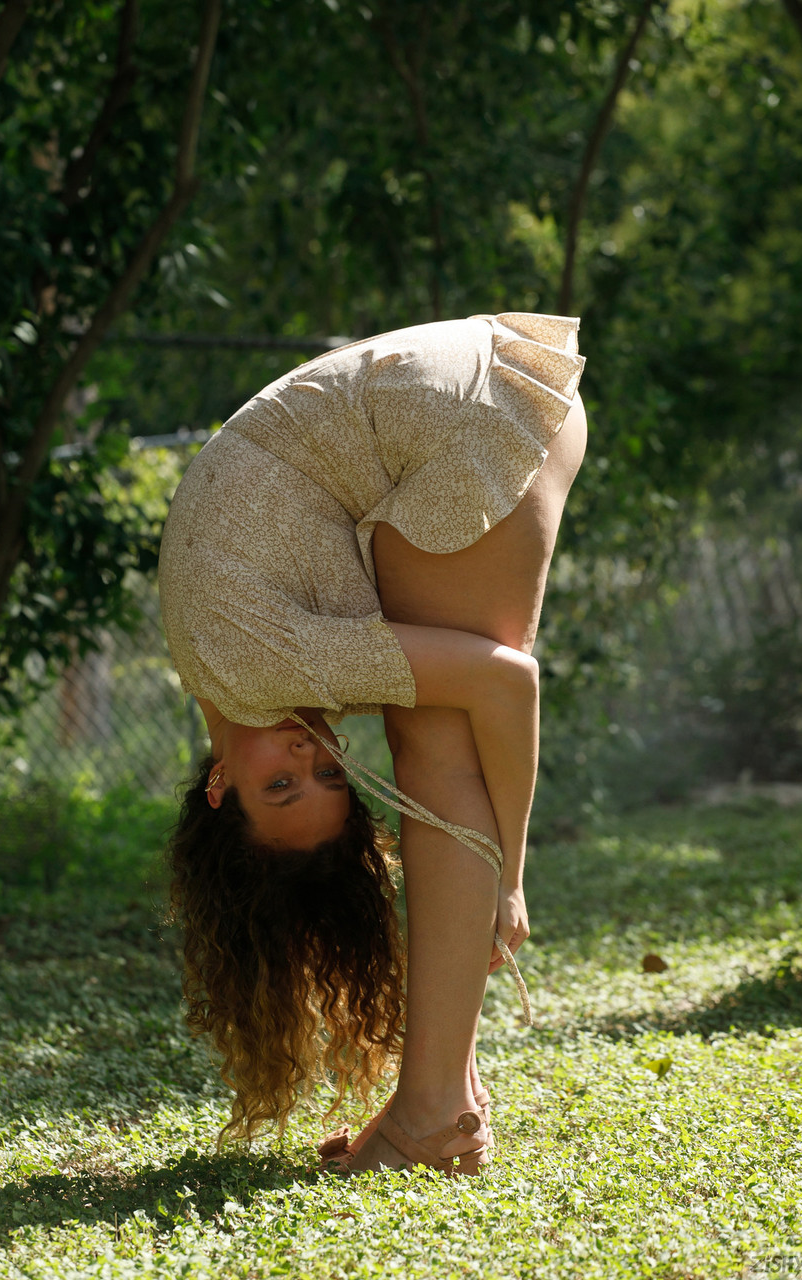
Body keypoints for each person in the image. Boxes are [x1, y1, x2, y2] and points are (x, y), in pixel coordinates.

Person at [158, 312, 586, 1175]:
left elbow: (509, 682)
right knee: (432, 727)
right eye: (329, 779)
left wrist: (511, 873)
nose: (308, 756)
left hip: (467, 413)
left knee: (434, 747)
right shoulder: (230, 676)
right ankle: (444, 1099)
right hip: (473, 392)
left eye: (281, 787)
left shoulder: (254, 668)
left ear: (218, 786)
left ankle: (433, 1115)